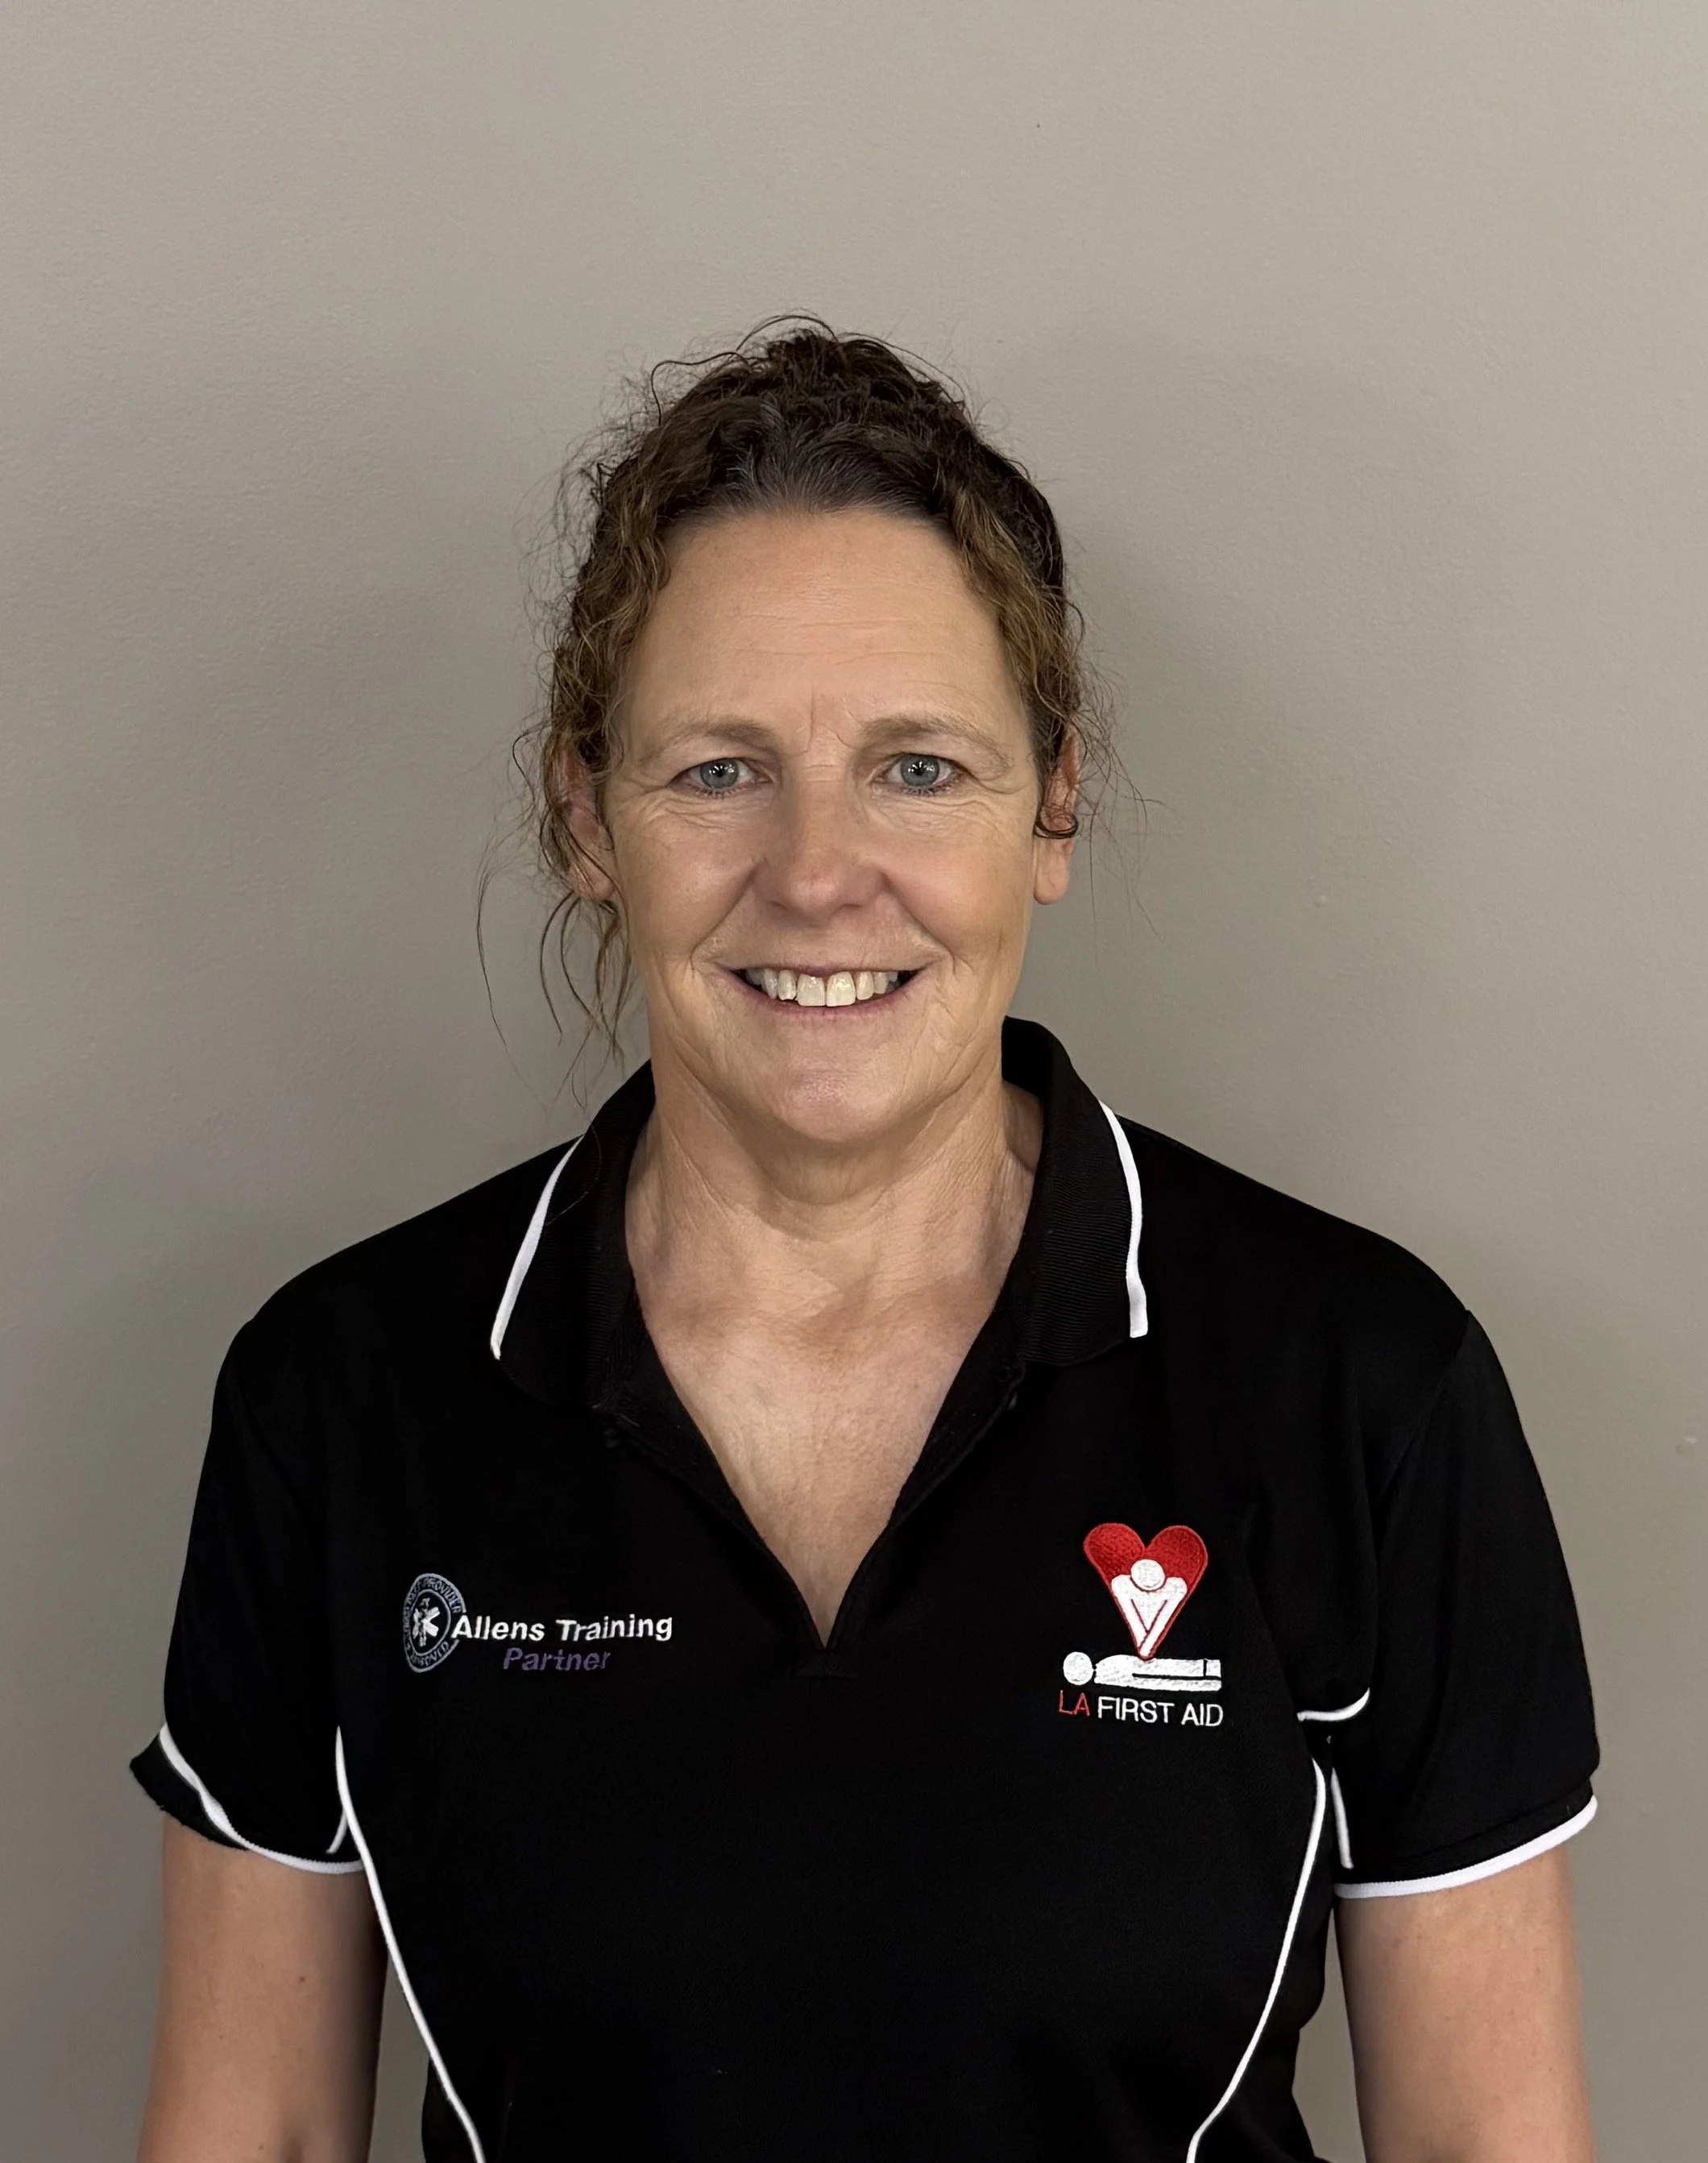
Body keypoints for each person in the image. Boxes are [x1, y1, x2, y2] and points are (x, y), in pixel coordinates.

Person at [130, 319, 1599, 2162]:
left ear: (1052, 805)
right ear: (587, 816)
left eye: (918, 768)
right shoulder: (344, 1399)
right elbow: (247, 2133)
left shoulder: (1359, 1385)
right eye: (717, 770)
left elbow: (1489, 2143)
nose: (818, 872)